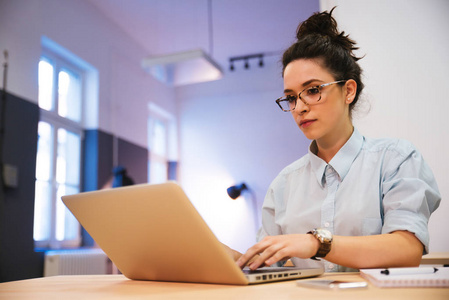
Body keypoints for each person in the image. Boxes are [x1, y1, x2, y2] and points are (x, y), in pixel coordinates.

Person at [230, 8, 441, 272]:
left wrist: (317, 244)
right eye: (292, 97)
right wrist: (225, 256)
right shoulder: (283, 184)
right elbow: (271, 266)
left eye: (313, 90)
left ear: (348, 91)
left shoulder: (396, 159)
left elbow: (407, 250)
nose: (299, 107)